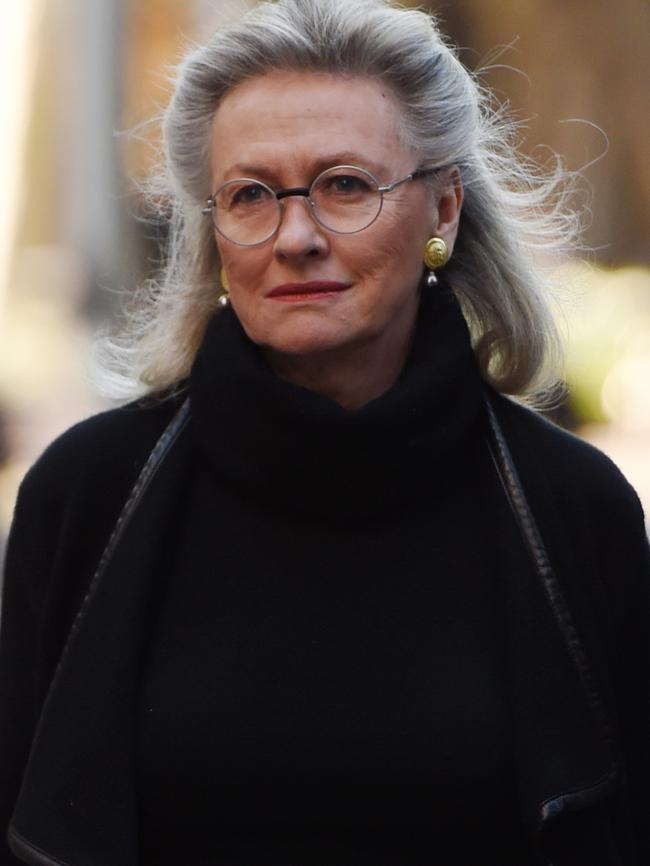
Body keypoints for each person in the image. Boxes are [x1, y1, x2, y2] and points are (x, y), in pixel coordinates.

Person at [1, 0, 648, 864]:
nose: (296, 235)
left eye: (345, 185)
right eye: (251, 194)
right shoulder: (86, 494)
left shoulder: (573, 508)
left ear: (444, 210)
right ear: (213, 227)